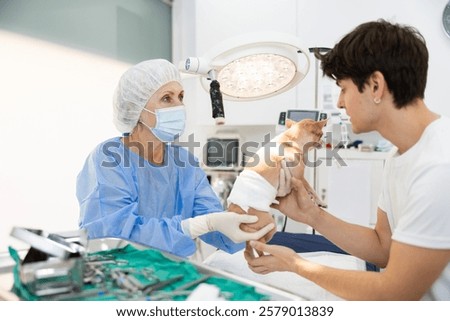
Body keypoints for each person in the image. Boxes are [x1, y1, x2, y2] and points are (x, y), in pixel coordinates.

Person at [245, 19, 450, 300]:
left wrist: (295, 265)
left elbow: (394, 292)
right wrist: (311, 215)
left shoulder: (440, 166)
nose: (340, 103)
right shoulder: (398, 157)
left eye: (343, 88)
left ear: (375, 86)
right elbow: (382, 248)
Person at [76, 59, 274, 258]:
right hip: (119, 271)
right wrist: (195, 226)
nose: (179, 106)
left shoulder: (184, 162)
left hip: (173, 270)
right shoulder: (109, 158)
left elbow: (213, 220)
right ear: (135, 109)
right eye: (166, 98)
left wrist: (249, 225)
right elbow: (112, 235)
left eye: (180, 97)